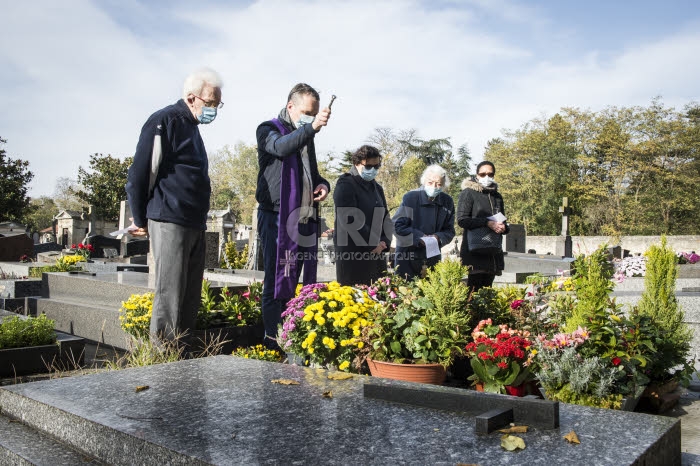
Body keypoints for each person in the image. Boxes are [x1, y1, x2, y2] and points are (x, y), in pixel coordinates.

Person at [125, 67, 223, 342]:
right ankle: (163, 359)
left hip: (194, 221)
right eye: (211, 103)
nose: (214, 109)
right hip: (169, 217)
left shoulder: (192, 128)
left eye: (218, 104)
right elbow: (140, 173)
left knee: (190, 294)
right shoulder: (163, 120)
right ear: (192, 98)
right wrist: (140, 218)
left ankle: (183, 354)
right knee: (170, 292)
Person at [256, 83, 331, 348]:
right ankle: (272, 340)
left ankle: (293, 339)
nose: (310, 118)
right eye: (306, 112)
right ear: (290, 106)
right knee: (277, 282)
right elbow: (281, 148)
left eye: (314, 114)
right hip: (277, 218)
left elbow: (313, 174)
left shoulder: (306, 137)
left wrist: (323, 185)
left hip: (304, 220)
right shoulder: (268, 129)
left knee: (299, 282)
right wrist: (311, 128)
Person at [333, 145, 392, 286]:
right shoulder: (345, 183)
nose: (372, 170)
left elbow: (385, 216)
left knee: (378, 297)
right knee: (355, 300)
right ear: (357, 163)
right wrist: (373, 243)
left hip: (377, 252)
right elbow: (350, 218)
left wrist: (384, 242)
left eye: (376, 167)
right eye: (368, 166)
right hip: (354, 253)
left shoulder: (377, 187)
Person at [393, 164, 455, 281]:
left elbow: (450, 230)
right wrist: (419, 237)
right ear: (424, 181)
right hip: (408, 256)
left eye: (439, 184)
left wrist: (438, 237)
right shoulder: (411, 197)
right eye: (430, 182)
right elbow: (397, 225)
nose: (434, 187)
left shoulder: (447, 201)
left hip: (432, 256)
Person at [457, 160, 509, 292]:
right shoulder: (468, 193)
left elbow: (502, 219)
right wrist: (487, 223)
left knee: (487, 293)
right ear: (476, 175)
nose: (487, 177)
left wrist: (504, 227)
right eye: (483, 174)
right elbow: (462, 220)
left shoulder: (497, 196)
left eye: (490, 174)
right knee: (473, 293)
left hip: (493, 252)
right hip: (474, 252)